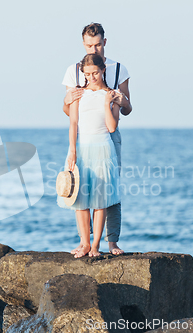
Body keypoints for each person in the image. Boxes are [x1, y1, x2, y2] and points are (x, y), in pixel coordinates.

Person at [62, 23, 132, 255]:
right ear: (84, 44)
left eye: (98, 44)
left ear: (104, 42)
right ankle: (85, 242)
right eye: (89, 45)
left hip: (107, 137)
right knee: (80, 189)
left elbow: (127, 109)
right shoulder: (74, 70)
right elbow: (69, 112)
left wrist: (116, 102)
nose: (94, 49)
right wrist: (66, 101)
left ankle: (110, 241)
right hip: (83, 138)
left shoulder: (118, 68)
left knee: (108, 189)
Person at [57, 53, 121, 258]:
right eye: (87, 74)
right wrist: (73, 151)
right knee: (80, 197)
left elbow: (112, 127)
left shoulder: (112, 94)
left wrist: (107, 104)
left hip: (103, 147)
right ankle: (84, 243)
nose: (91, 77)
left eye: (95, 73)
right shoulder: (78, 93)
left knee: (101, 200)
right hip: (81, 147)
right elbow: (73, 123)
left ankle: (95, 247)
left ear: (103, 70)